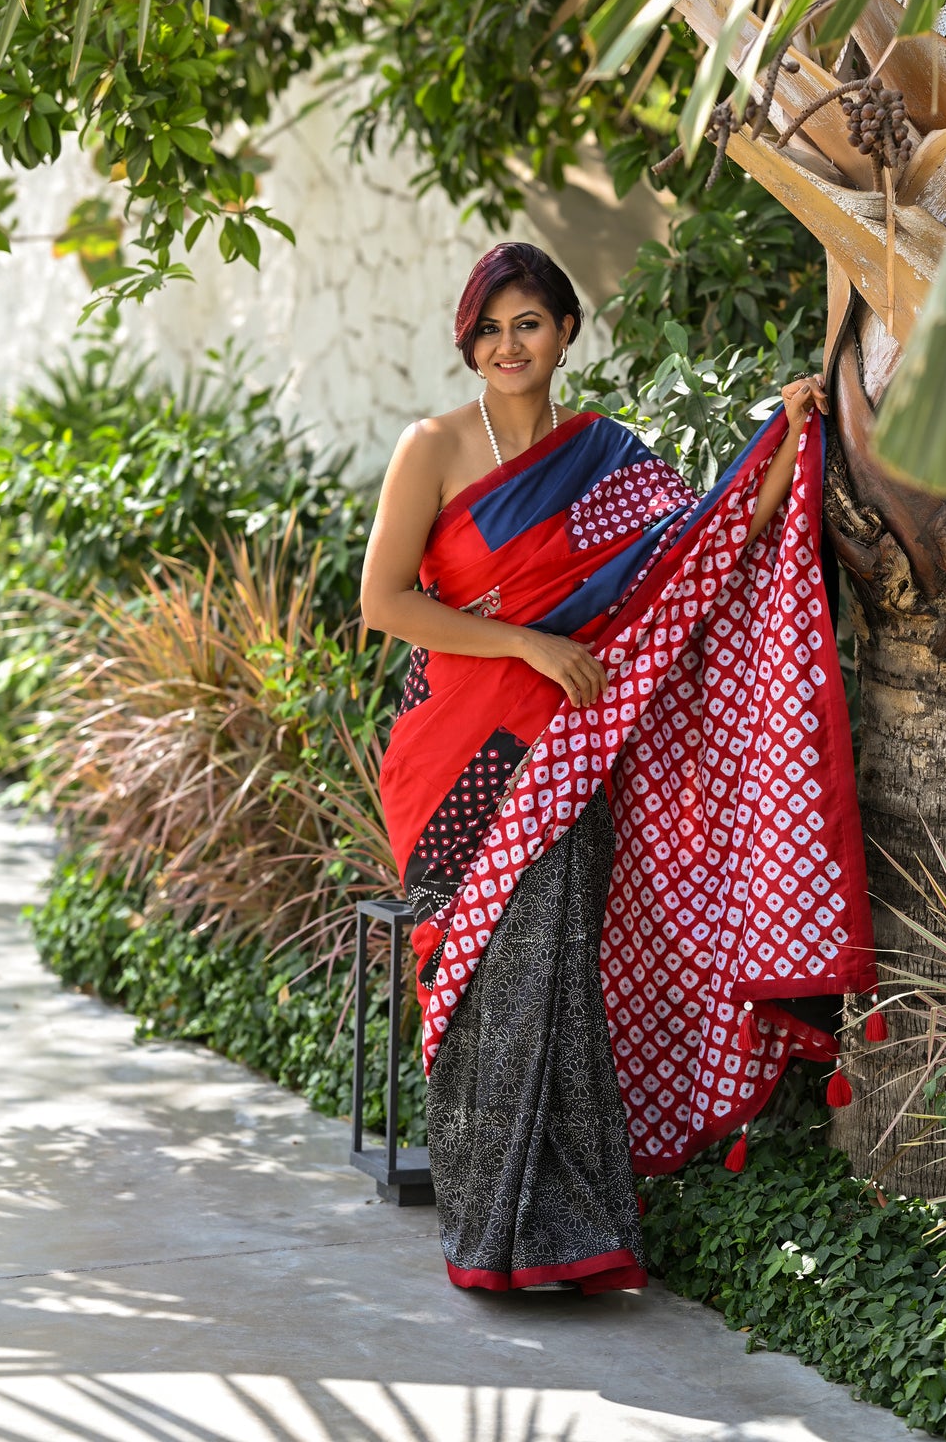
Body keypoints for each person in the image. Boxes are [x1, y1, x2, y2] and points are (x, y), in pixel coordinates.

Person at [361, 241, 874, 1295]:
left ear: (564, 335)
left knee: (558, 976)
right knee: (479, 986)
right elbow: (386, 604)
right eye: (492, 327)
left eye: (530, 324)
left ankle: (573, 1230)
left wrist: (787, 436)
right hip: (458, 752)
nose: (510, 345)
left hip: (572, 749)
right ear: (469, 340)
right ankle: (489, 1232)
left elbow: (698, 550)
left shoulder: (606, 455)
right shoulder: (435, 447)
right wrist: (528, 644)